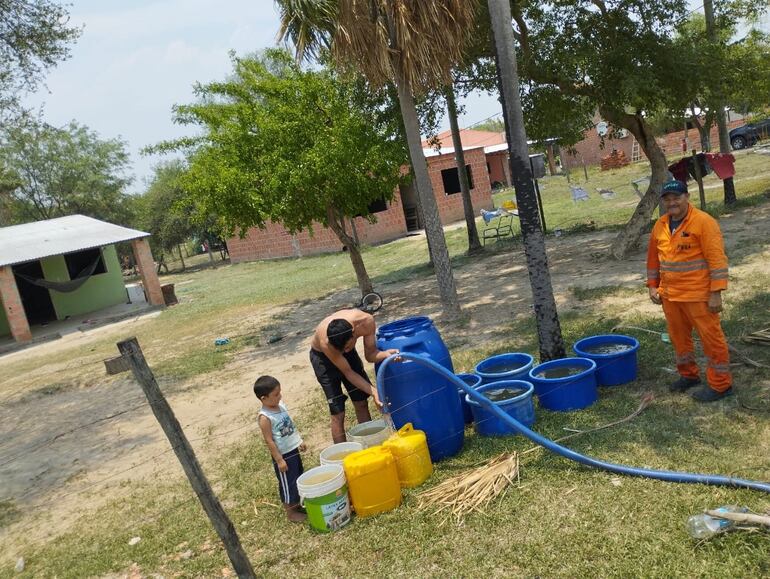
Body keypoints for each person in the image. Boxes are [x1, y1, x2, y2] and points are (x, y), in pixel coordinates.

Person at [646, 179, 732, 402]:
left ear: (687, 197)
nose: (672, 202)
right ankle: (689, 375)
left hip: (699, 295)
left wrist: (716, 292)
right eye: (667, 199)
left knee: (711, 339)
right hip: (671, 295)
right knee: (679, 339)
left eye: (677, 197)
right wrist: (653, 286)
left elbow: (717, 260)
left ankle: (721, 385)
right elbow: (653, 260)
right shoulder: (661, 225)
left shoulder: (704, 222)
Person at [310, 309, 399, 443]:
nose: (345, 351)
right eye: (343, 349)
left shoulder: (366, 321)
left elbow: (371, 355)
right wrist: (374, 391)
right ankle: (342, 456)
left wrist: (386, 354)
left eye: (347, 348)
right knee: (338, 412)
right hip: (323, 358)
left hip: (341, 349)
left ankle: (369, 445)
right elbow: (348, 372)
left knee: (361, 402)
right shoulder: (327, 342)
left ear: (353, 333)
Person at [254, 375, 307, 522]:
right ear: (263, 398)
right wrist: (279, 460)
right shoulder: (265, 417)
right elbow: (269, 440)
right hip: (283, 455)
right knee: (287, 484)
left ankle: (297, 504)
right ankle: (291, 513)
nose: (280, 396)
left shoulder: (281, 406)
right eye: (276, 394)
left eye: (280, 392)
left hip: (293, 450)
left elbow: (290, 425)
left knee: (297, 477)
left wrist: (299, 440)